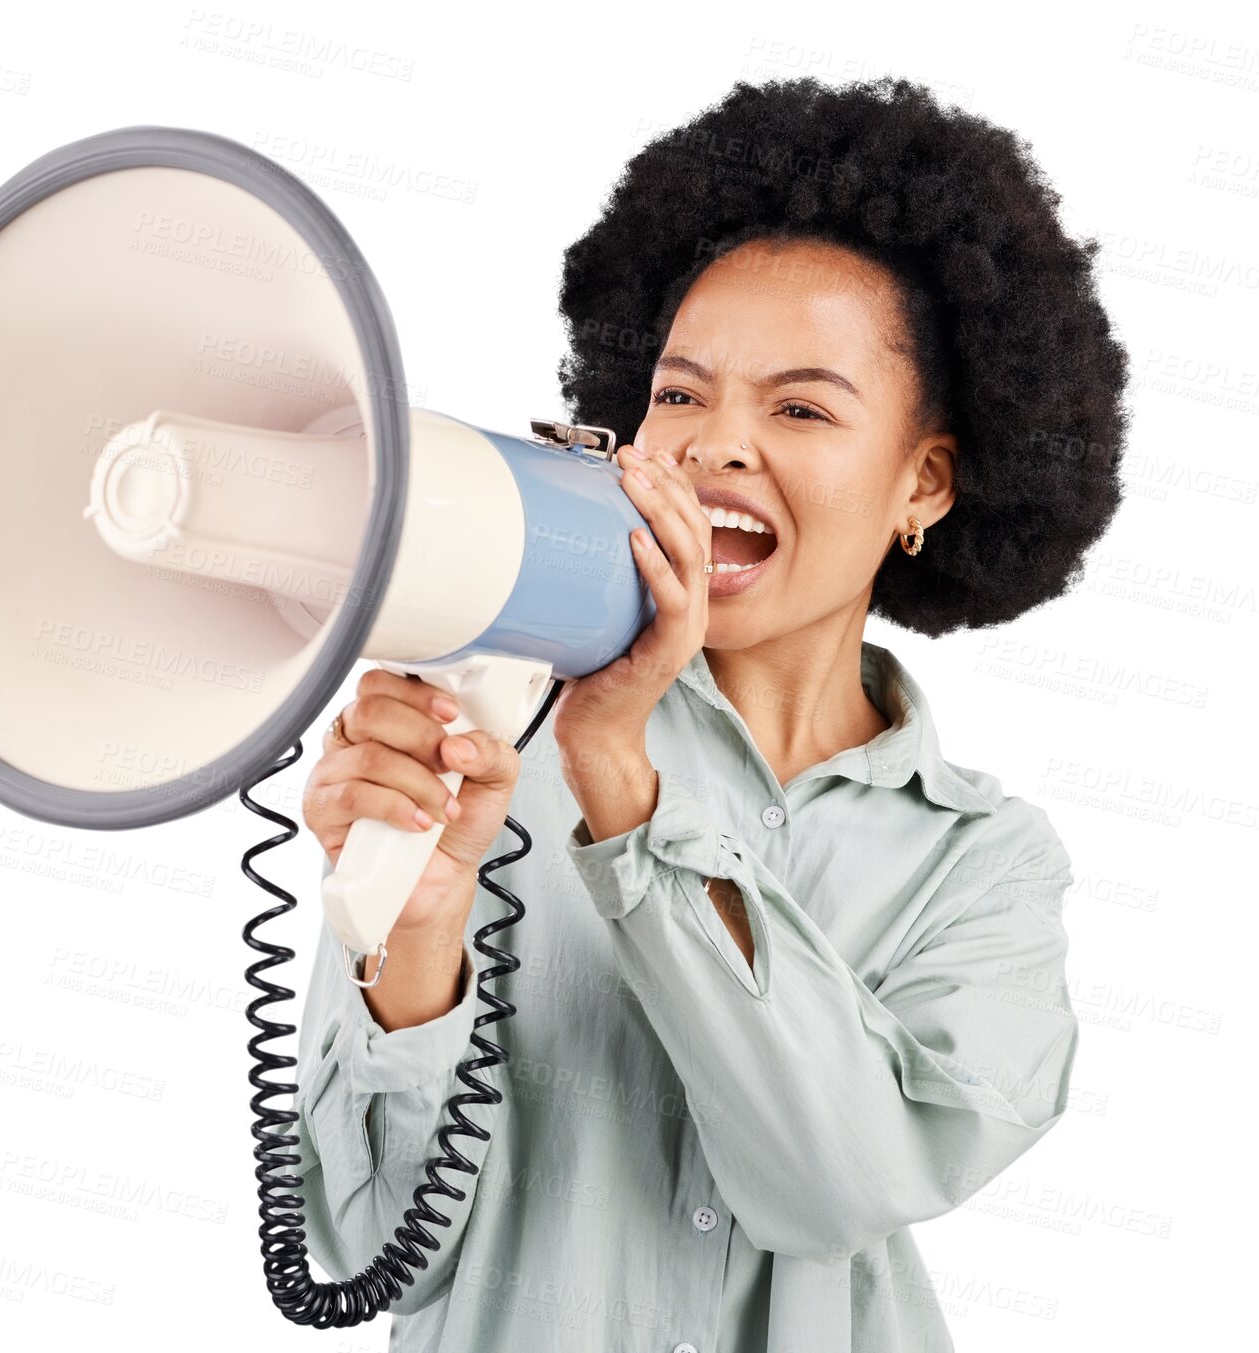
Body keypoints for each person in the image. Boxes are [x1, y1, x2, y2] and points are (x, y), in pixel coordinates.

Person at [292, 74, 1128, 1351]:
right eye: (679, 395)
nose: (710, 447)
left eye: (799, 408)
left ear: (925, 482)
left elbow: (835, 1182)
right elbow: (358, 1255)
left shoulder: (984, 869)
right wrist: (412, 945)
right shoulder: (492, 748)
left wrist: (625, 781)